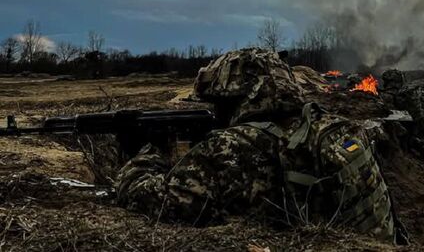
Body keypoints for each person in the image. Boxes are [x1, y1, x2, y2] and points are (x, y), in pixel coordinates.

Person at [115, 48, 395, 241]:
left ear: (237, 97)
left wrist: (150, 153)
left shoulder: (230, 148)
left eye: (219, 102)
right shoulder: (328, 125)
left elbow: (148, 197)